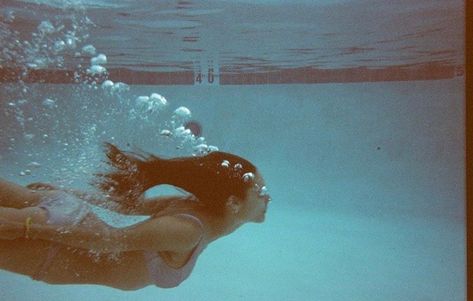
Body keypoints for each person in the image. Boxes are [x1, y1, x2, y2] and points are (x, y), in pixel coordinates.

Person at [0, 143, 271, 290]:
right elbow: (108, 241)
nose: (267, 197)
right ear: (233, 203)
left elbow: (127, 208)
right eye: (260, 191)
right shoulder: (187, 230)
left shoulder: (200, 209)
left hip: (65, 220)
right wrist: (28, 228)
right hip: (53, 247)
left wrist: (64, 193)